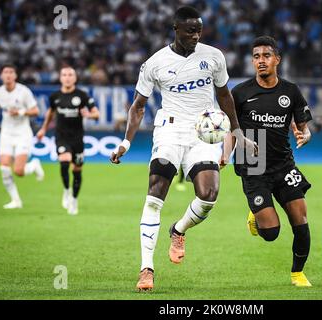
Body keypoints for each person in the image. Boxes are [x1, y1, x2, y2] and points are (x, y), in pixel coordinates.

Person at [110, 6, 257, 292]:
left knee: (209, 195)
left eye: (199, 30)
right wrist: (126, 142)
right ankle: (146, 269)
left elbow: (224, 95)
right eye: (190, 30)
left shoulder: (214, 57)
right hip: (170, 130)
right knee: (155, 194)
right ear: (176, 29)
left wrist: (237, 131)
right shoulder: (155, 63)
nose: (196, 35)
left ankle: (178, 229)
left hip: (205, 131)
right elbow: (138, 107)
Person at [224, 36, 314, 287]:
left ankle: (297, 273)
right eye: (256, 57)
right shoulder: (240, 92)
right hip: (253, 163)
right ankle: (256, 214)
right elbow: (231, 129)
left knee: (301, 220)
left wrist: (304, 134)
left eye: (266, 56)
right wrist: (224, 155)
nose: (260, 61)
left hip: (283, 163)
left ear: (277, 59)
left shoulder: (290, 91)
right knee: (271, 234)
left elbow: (303, 128)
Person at [37, 67, 99, 215]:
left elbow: (96, 114)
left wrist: (88, 115)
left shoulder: (82, 96)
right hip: (61, 136)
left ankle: (74, 200)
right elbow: (50, 113)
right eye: (64, 74)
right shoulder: (55, 97)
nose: (67, 77)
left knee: (77, 171)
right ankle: (66, 190)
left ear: (75, 78)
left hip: (77, 138)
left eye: (70, 74)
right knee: (64, 161)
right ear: (60, 78)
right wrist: (43, 129)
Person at [0, 64, 44, 209]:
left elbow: (35, 111)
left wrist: (20, 112)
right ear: (1, 76)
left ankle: (34, 165)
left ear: (15, 76)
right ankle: (16, 201)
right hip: (6, 133)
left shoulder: (23, 91)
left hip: (22, 133)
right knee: (4, 168)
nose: (8, 75)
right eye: (5, 72)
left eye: (11, 72)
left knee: (18, 171)